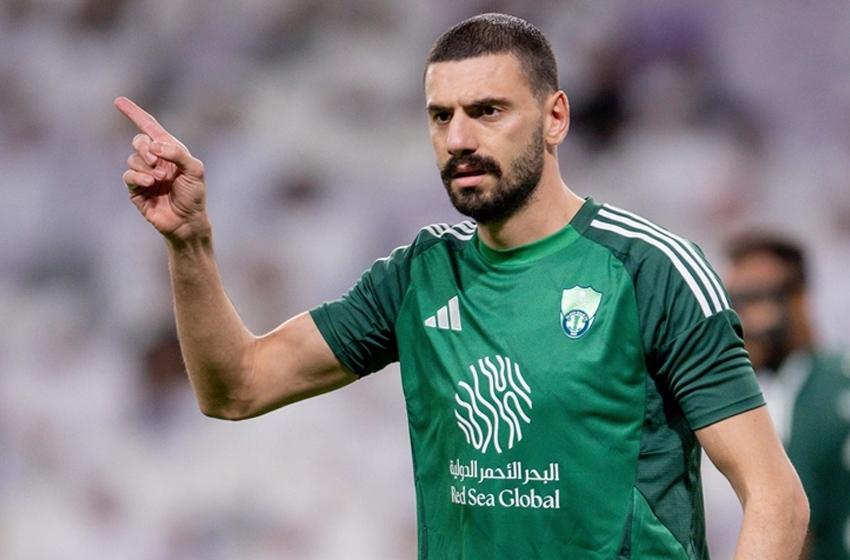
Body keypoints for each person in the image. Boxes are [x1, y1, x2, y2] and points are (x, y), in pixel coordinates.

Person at [115, 13, 808, 559]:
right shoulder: (419, 276)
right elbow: (236, 387)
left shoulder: (651, 270)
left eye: (488, 111)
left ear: (556, 118)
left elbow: (777, 500)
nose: (458, 139)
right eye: (441, 115)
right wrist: (189, 240)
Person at [724, 232, 850, 560]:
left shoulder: (808, 394)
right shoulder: (828, 378)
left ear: (797, 298)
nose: (739, 321)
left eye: (753, 300)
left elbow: (791, 529)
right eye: (731, 305)